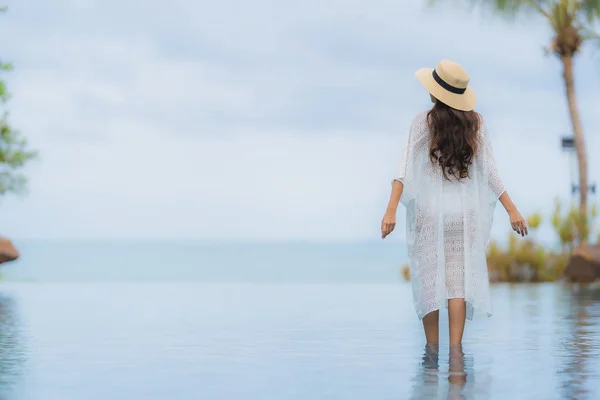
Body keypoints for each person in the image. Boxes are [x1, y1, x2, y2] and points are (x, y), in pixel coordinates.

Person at [381, 60, 528, 346]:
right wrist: (513, 210)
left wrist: (390, 211)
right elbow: (491, 174)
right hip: (464, 215)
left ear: (435, 91)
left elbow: (403, 169)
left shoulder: (423, 123)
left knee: (430, 281)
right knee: (457, 286)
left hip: (430, 214)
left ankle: (432, 351)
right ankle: (456, 353)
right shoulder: (476, 124)